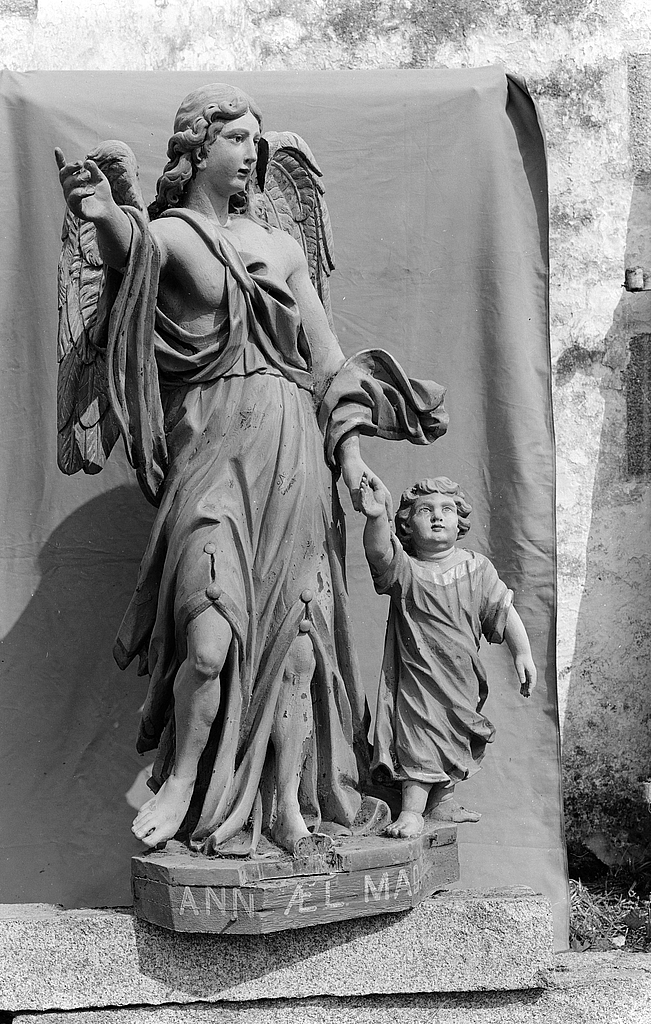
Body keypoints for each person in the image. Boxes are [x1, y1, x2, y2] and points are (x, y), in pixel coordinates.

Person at [55, 83, 448, 857]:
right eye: (238, 139)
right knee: (208, 635)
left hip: (293, 450)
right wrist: (104, 216)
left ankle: (290, 809)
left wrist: (355, 458)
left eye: (257, 142)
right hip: (211, 454)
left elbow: (329, 362)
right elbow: (130, 268)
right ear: (199, 148)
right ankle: (183, 778)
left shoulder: (285, 249)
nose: (252, 156)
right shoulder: (167, 234)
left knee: (297, 644)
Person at [359, 474, 536, 839]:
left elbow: (504, 608)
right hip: (419, 679)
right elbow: (378, 553)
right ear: (408, 524)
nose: (437, 517)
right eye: (426, 511)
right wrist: (376, 517)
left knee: (454, 739)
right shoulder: (406, 569)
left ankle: (442, 803)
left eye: (447, 510)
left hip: (461, 677)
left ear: (460, 520)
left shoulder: (477, 568)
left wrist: (523, 653)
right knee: (420, 738)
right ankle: (411, 812)